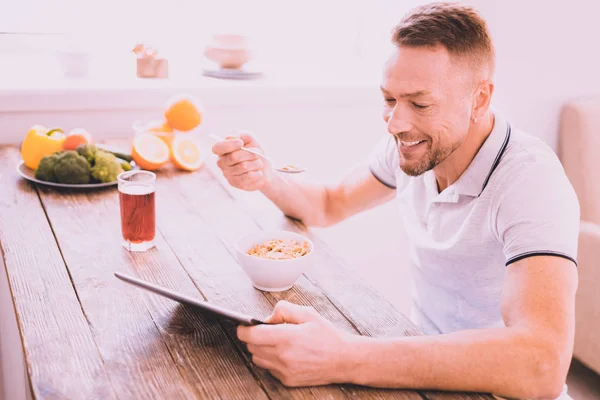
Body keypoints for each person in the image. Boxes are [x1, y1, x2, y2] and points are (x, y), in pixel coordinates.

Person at [211, 2, 579, 399]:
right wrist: (265, 178)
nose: (396, 123)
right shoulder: (413, 146)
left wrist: (343, 356)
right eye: (389, 99)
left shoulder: (530, 180)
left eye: (420, 104)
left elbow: (542, 363)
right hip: (425, 371)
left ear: (479, 100)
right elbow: (330, 203)